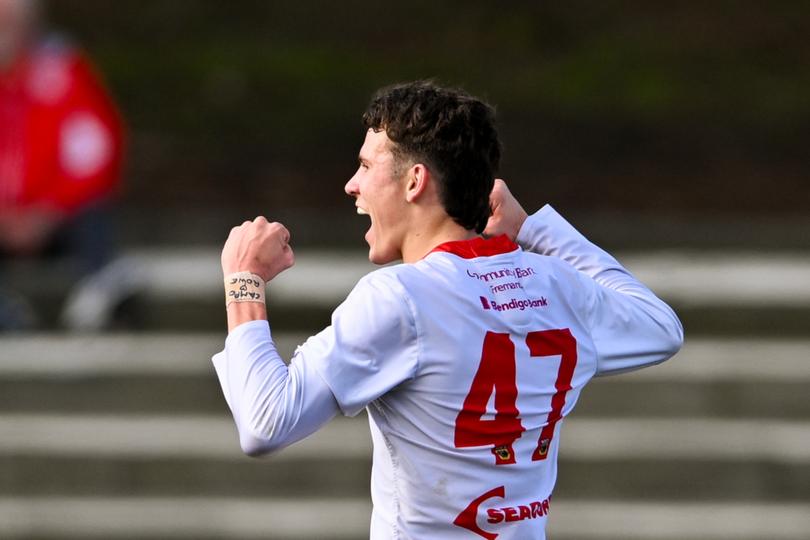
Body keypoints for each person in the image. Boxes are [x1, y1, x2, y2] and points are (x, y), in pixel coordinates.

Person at [213, 81, 683, 539]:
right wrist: (532, 229)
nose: (351, 185)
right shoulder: (556, 285)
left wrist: (243, 282)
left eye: (364, 165)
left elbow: (265, 423)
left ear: (415, 181)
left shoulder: (399, 297)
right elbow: (661, 328)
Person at [0, 0, 126, 330]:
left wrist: (48, 209)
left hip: (55, 220)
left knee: (93, 212)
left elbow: (95, 153)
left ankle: (99, 297)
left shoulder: (63, 73)